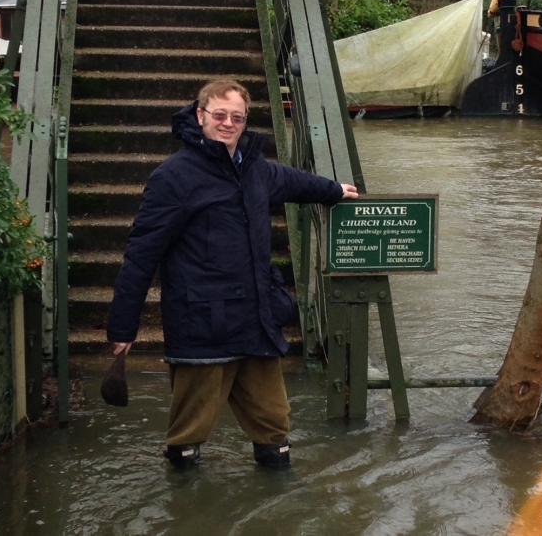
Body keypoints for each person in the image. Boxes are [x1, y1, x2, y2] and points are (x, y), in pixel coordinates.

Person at [107, 79, 358, 469]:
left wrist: (334, 191)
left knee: (274, 426)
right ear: (200, 115)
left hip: (256, 322)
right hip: (202, 327)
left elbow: (293, 182)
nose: (228, 123)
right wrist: (123, 328)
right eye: (219, 115)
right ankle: (187, 506)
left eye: (237, 117)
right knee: (189, 432)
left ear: (245, 120)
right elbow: (141, 255)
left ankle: (277, 508)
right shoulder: (173, 178)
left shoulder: (255, 168)